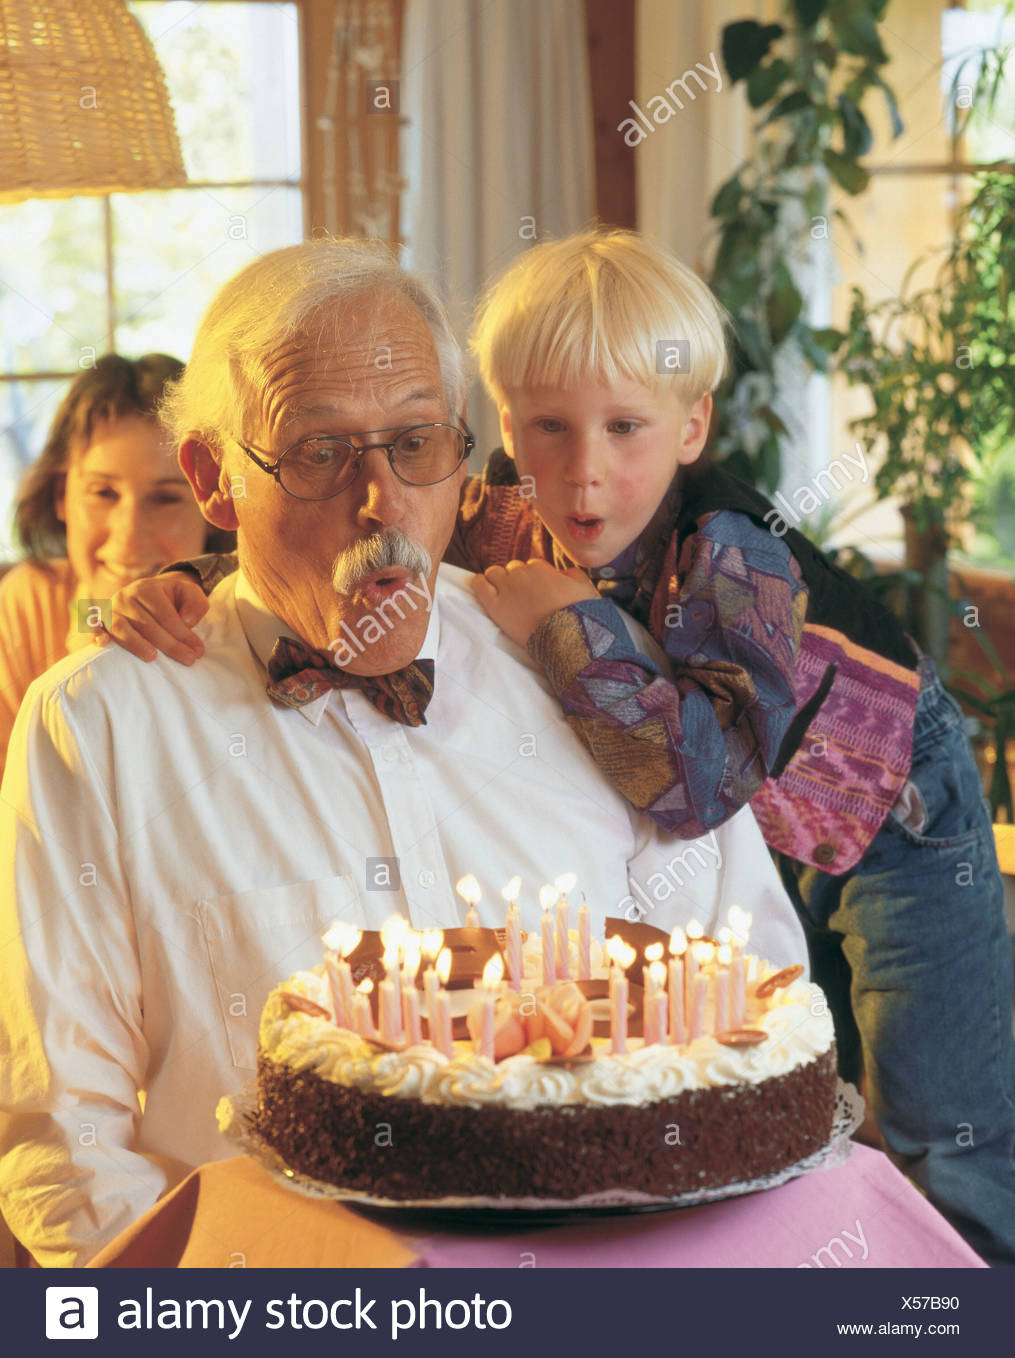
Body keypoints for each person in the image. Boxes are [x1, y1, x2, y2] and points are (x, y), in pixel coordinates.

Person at [105, 229, 1015, 1267]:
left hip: (883, 796)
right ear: (501, 428)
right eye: (550, 428)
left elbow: (696, 788)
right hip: (738, 801)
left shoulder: (731, 554)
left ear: (690, 427)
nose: (584, 476)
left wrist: (571, 629)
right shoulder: (488, 503)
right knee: (776, 1054)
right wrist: (181, 580)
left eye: (625, 427)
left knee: (948, 1131)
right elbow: (327, 531)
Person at [0, 238, 806, 1268]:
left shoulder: (594, 667)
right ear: (210, 477)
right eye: (320, 453)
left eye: (417, 444)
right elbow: (66, 1135)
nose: (383, 502)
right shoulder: (103, 725)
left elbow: (759, 988)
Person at [0, 353, 231, 772]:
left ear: (212, 507)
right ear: (59, 497)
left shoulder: (242, 614)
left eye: (165, 498)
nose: (128, 536)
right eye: (103, 493)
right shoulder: (31, 602)